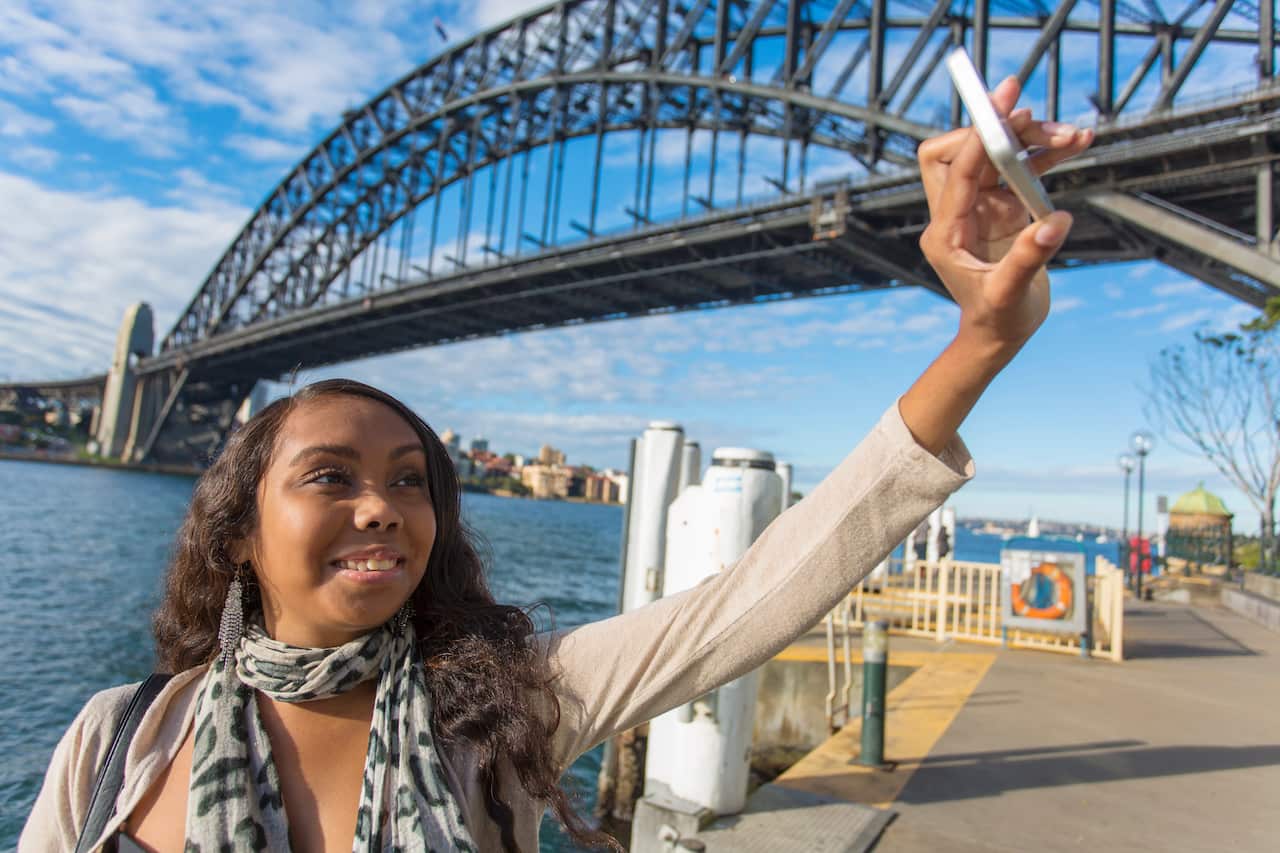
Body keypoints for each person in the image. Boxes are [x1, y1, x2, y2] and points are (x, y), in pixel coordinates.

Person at [20, 77, 1091, 853]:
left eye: (410, 480)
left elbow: (756, 594)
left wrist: (979, 343)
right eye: (330, 476)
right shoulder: (116, 740)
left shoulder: (505, 709)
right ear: (237, 532)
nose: (383, 507)